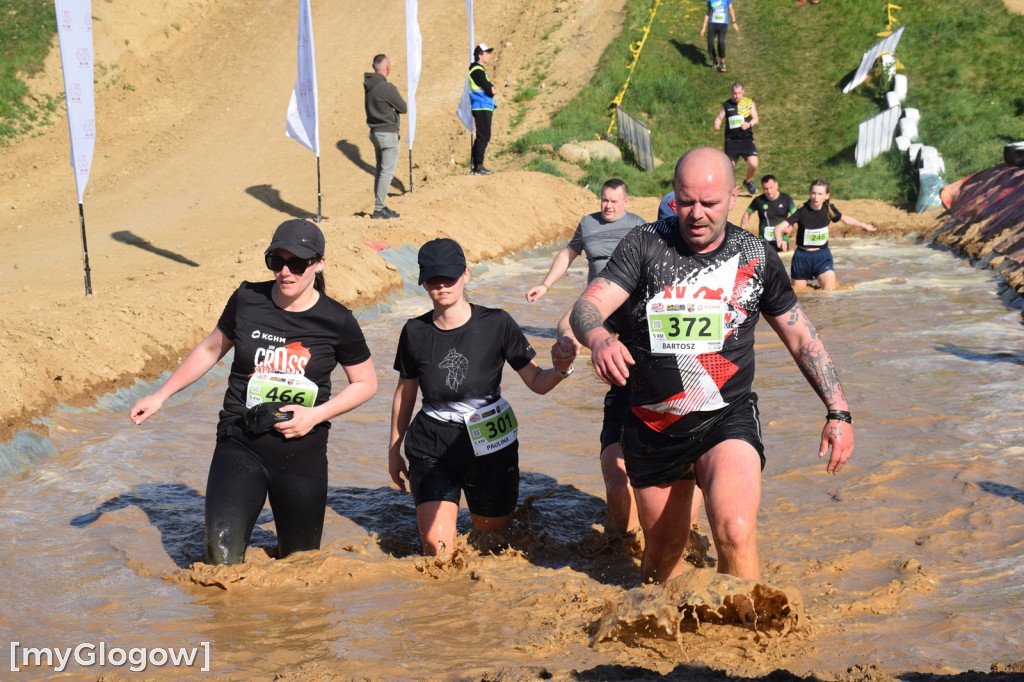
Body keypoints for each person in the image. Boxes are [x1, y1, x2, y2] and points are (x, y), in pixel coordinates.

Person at [569, 147, 855, 583]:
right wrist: (599, 338)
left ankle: (746, 640)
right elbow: (587, 307)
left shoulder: (756, 257)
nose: (696, 214)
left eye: (709, 203)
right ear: (673, 196)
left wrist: (838, 410)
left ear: (734, 197)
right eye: (685, 201)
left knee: (736, 533)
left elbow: (801, 337)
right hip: (653, 423)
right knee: (663, 553)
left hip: (727, 416)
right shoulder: (645, 244)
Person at [128, 219, 378, 565]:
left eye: (298, 263)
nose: (286, 272)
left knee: (300, 565)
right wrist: (160, 395)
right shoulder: (248, 299)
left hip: (301, 452)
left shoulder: (337, 321)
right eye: (277, 261)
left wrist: (316, 415)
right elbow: (211, 349)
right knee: (221, 558)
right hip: (240, 441)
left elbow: (366, 383)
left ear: (319, 263)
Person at [388, 238, 575, 556]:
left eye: (449, 277)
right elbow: (405, 394)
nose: (442, 285)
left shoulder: (497, 323)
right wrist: (394, 449)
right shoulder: (414, 332)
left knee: (494, 547)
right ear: (423, 282)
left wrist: (561, 368)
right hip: (431, 445)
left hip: (491, 445)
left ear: (466, 274)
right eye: (434, 279)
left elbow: (537, 382)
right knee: (438, 552)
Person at [524, 179, 645, 535]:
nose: (607, 206)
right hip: (596, 304)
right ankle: (568, 363)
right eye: (603, 200)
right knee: (565, 325)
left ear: (626, 201)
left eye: (613, 201)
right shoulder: (588, 223)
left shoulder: (639, 225)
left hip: (631, 302)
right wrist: (546, 285)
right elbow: (567, 254)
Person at [774, 179, 877, 290]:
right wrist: (780, 240)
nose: (816, 197)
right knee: (800, 296)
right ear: (810, 193)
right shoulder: (802, 211)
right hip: (802, 258)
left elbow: (845, 219)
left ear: (827, 196)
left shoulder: (829, 209)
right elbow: (778, 228)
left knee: (829, 294)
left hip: (822, 257)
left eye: (820, 194)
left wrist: (864, 225)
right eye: (813, 193)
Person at [364, 53, 407, 220]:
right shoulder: (386, 87)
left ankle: (381, 206)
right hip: (387, 133)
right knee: (387, 172)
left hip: (375, 132)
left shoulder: (369, 86)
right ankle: (379, 208)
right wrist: (392, 109)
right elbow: (403, 107)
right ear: (387, 67)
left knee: (380, 170)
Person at [713, 82, 759, 196]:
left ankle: (748, 182)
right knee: (729, 166)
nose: (736, 96)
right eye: (734, 93)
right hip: (731, 140)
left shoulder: (749, 103)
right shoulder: (727, 105)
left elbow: (755, 118)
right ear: (731, 93)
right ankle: (730, 189)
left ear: (743, 92)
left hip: (746, 139)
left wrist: (749, 124)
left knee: (753, 163)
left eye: (739, 93)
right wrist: (716, 124)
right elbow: (719, 117)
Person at [739, 174, 797, 251]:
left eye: (771, 188)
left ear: (776, 185)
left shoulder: (786, 199)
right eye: (765, 189)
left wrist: (790, 226)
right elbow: (747, 213)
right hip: (764, 242)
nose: (769, 191)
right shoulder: (759, 200)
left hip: (782, 241)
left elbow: (796, 216)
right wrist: (741, 231)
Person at [468, 43, 498, 176]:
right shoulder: (477, 70)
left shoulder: (478, 70)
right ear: (480, 55)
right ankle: (478, 166)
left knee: (483, 136)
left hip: (482, 105)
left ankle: (478, 166)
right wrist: (492, 89)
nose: (489, 55)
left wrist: (491, 88)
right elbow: (490, 90)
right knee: (483, 136)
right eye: (486, 53)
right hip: (481, 105)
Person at [699, 0, 738, 73]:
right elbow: (707, 14)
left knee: (721, 42)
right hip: (712, 24)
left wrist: (734, 22)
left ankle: (722, 62)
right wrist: (703, 28)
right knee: (710, 44)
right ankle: (715, 61)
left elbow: (730, 9)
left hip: (723, 24)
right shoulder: (710, 0)